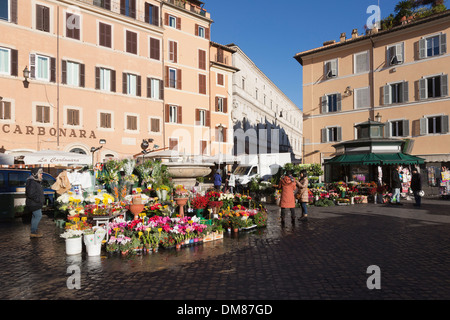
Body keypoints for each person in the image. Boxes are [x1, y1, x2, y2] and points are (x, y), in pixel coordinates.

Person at [26, 167, 45, 238]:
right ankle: (33, 232)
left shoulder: (34, 181)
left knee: (35, 216)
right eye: (40, 173)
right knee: (38, 216)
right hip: (34, 203)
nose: (42, 174)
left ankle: (34, 230)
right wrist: (39, 200)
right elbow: (30, 193)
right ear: (35, 174)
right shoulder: (32, 182)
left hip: (34, 203)